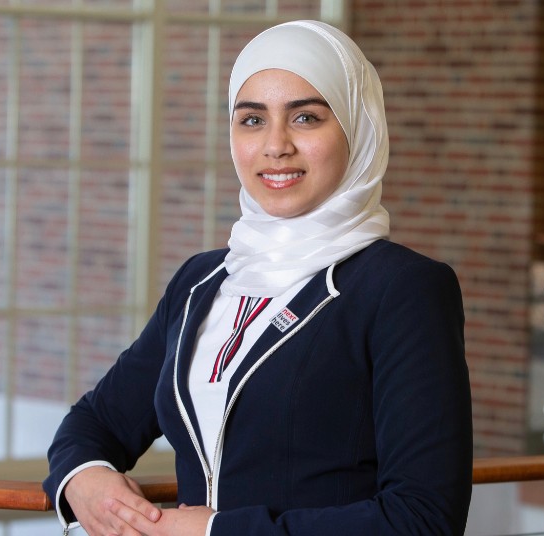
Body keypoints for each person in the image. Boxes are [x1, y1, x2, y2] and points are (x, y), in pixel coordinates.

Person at [42, 20, 473, 536]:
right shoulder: (202, 281)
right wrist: (84, 481)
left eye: (306, 118)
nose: (275, 146)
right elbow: (96, 422)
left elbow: (422, 520)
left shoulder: (401, 289)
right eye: (251, 120)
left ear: (359, 128)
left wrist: (214, 532)